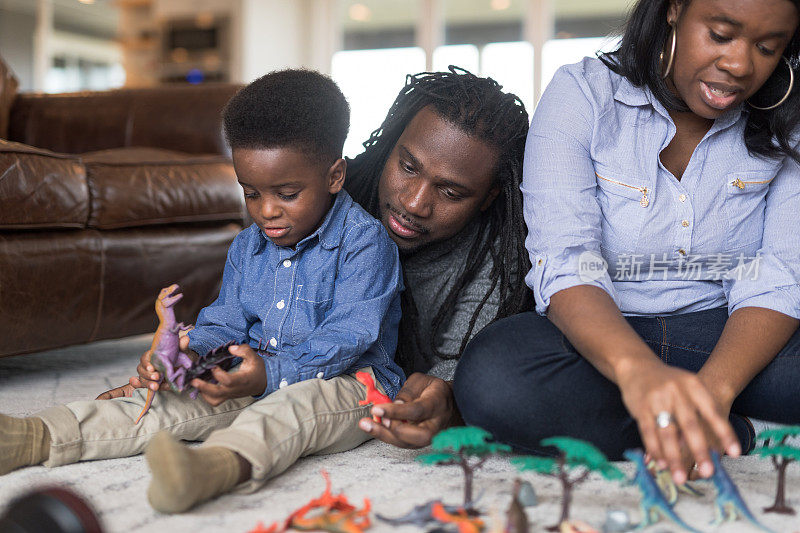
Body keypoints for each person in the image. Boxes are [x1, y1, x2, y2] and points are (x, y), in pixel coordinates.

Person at [0, 68, 405, 513]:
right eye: (250, 193)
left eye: (287, 193)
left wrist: (271, 376)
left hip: (352, 384)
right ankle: (36, 436)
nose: (266, 211)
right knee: (168, 399)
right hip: (257, 368)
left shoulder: (365, 243)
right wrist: (185, 355)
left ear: (334, 176)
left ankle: (211, 469)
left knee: (292, 409)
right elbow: (226, 320)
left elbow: (347, 339)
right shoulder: (248, 245)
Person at [454, 0, 800, 486]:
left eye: (767, 47)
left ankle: (699, 417)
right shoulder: (583, 95)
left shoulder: (788, 119)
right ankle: (738, 432)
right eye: (721, 35)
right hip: (603, 334)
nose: (740, 65)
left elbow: (778, 276)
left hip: (729, 334)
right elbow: (569, 263)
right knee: (496, 377)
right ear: (674, 9)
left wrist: (717, 390)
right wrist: (637, 373)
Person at [344, 67, 532, 448]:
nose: (414, 203)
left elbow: (458, 368)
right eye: (408, 167)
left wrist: (445, 398)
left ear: (488, 198)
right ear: (391, 145)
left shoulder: (497, 254)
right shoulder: (333, 198)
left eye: (450, 192)